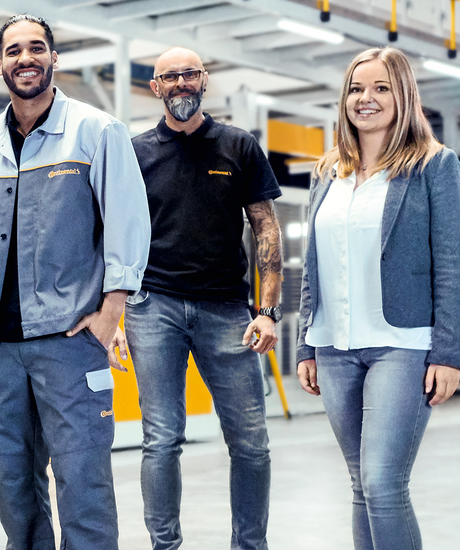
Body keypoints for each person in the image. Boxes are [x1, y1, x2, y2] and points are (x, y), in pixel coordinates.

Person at [0, 14, 150, 550]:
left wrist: (111, 313)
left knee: (82, 479)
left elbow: (128, 226)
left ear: (54, 58)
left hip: (69, 340)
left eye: (36, 48)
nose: (25, 59)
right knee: (12, 482)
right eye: (13, 51)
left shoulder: (96, 131)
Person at [293, 47, 460, 550]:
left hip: (402, 343)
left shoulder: (434, 165)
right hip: (334, 347)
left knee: (383, 484)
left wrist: (448, 353)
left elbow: (452, 264)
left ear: (404, 95)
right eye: (356, 89)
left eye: (380, 88)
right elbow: (315, 263)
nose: (365, 99)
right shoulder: (328, 170)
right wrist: (307, 342)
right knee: (358, 486)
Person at [120, 47, 281, 550]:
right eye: (170, 76)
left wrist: (268, 310)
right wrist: (112, 314)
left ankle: (249, 546)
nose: (181, 83)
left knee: (252, 443)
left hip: (228, 311)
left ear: (205, 79)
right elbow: (115, 236)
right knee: (162, 440)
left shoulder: (238, 145)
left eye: (190, 73)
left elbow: (266, 229)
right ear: (156, 87)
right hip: (154, 307)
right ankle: (165, 546)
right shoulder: (134, 151)